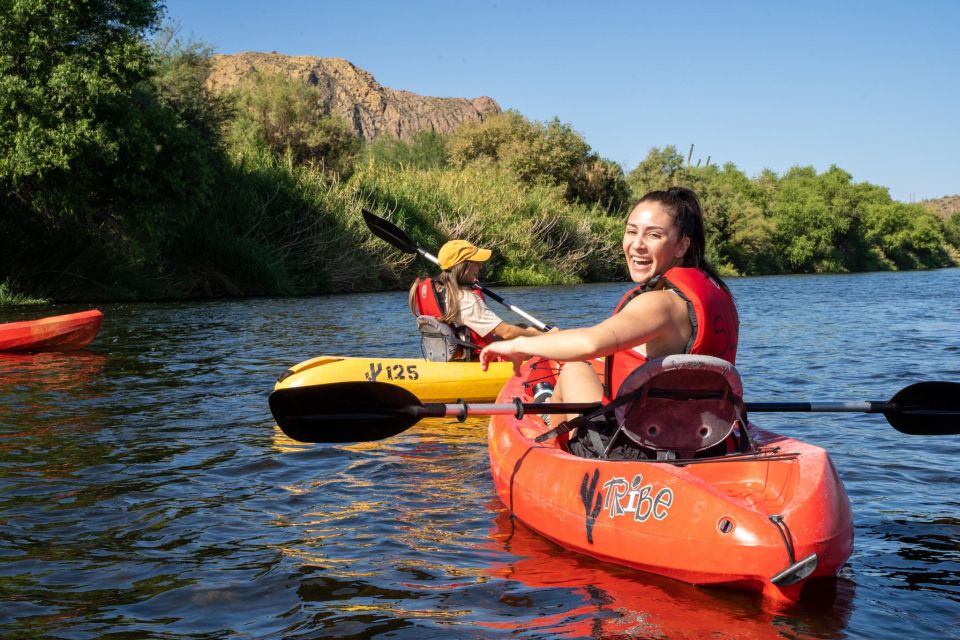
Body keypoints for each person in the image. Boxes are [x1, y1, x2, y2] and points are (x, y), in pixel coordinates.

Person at [479, 187, 739, 422]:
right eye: (631, 231)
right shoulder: (714, 291)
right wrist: (556, 340)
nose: (637, 245)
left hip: (643, 444)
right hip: (699, 432)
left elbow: (590, 344)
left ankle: (549, 437)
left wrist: (518, 344)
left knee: (574, 367)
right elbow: (613, 338)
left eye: (653, 235)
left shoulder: (660, 304)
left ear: (682, 245)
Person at [409, 239, 546, 359]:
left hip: (454, 351)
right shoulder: (467, 299)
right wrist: (548, 337)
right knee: (538, 336)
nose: (480, 266)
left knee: (524, 327)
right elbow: (506, 332)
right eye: (476, 262)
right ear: (464, 266)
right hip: (484, 356)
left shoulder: (436, 290)